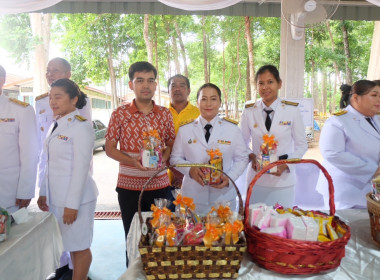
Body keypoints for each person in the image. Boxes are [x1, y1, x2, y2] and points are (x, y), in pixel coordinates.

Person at [105, 61, 175, 267]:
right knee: (133, 236)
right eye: (140, 80)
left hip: (159, 186)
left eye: (151, 80)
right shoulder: (120, 114)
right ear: (131, 85)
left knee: (161, 235)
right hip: (129, 188)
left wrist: (164, 155)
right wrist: (133, 161)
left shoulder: (164, 113)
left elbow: (170, 141)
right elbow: (109, 149)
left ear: (155, 85)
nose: (146, 85)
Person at [37, 78, 98, 280]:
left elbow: (81, 169)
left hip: (77, 200)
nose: (52, 102)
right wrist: (43, 193)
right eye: (50, 97)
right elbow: (48, 163)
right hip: (58, 198)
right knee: (70, 244)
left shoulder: (81, 127)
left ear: (74, 99)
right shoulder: (56, 124)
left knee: (80, 247)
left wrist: (72, 205)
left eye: (58, 97)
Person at [170, 83, 250, 215]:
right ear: (197, 102)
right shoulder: (185, 129)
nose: (208, 104)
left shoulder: (232, 129)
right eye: (204, 99)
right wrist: (190, 169)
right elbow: (174, 158)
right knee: (191, 234)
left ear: (220, 102)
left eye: (213, 99)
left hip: (223, 200)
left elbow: (242, 158)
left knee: (224, 235)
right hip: (192, 198)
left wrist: (229, 177)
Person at [240, 65, 308, 207]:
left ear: (279, 84)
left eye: (270, 82)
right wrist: (252, 157)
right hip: (256, 178)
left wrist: (286, 165)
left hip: (283, 180)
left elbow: (301, 144)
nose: (265, 87)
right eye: (261, 83)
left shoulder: (292, 109)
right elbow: (241, 143)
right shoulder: (249, 110)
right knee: (254, 222)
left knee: (282, 223)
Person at [316, 80, 380, 209]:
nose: (379, 99)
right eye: (374, 95)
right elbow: (333, 153)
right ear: (356, 98)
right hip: (345, 193)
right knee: (348, 227)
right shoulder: (338, 120)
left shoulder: (376, 119)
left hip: (371, 191)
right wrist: (373, 170)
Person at [0, 65, 39, 214]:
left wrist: (25, 190)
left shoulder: (21, 110)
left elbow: (29, 154)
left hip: (7, 194)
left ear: (1, 81)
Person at [167, 74, 200, 202]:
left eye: (182, 86)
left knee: (192, 217)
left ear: (189, 90)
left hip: (194, 175)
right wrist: (174, 171)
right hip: (166, 177)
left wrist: (185, 171)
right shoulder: (162, 113)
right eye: (173, 86)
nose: (177, 89)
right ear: (169, 90)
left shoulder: (199, 113)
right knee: (168, 217)